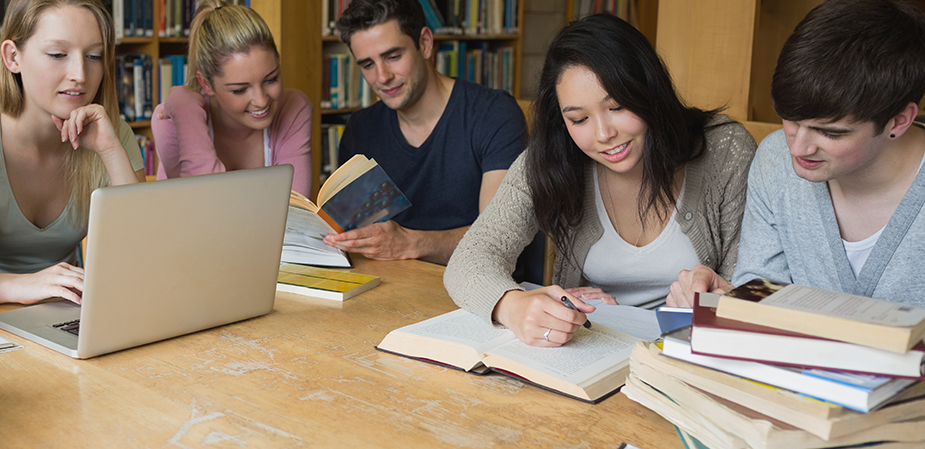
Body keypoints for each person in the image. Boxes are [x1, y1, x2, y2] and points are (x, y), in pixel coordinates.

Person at [444, 14, 757, 347]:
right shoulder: (549, 159)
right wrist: (512, 305)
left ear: (649, 90)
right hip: (593, 352)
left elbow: (758, 289)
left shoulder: (725, 152)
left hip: (691, 358)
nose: (605, 135)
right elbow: (471, 258)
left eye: (618, 106)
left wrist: (724, 298)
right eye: (579, 119)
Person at [668, 0, 925, 307]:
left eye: (830, 132)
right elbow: (763, 291)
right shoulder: (776, 158)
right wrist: (730, 300)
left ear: (899, 120)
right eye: (790, 119)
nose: (798, 147)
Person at [0, 0, 146, 306]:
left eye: (94, 56)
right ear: (12, 57)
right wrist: (24, 286)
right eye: (58, 54)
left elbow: (144, 254)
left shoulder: (111, 134)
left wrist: (110, 151)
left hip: (65, 309)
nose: (80, 74)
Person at [325, 0, 527, 265]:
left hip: (475, 287)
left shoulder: (493, 115)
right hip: (387, 288)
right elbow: (356, 233)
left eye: (393, 56)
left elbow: (499, 239)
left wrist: (411, 243)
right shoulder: (360, 129)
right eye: (367, 65)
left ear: (425, 43)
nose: (382, 77)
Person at [150, 0, 313, 196]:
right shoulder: (171, 120)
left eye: (271, 79)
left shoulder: (294, 108)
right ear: (206, 84)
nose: (261, 101)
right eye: (240, 90)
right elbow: (199, 208)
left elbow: (294, 212)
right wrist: (186, 112)